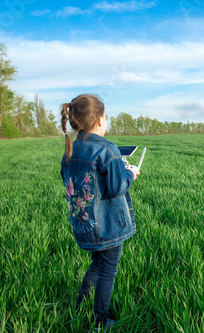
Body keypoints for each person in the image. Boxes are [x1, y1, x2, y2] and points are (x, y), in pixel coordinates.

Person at [60, 94, 140, 331]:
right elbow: (117, 188)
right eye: (105, 116)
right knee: (107, 272)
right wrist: (130, 174)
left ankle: (79, 307)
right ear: (100, 120)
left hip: (85, 224)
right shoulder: (108, 149)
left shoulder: (71, 149)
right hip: (108, 227)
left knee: (96, 265)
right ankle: (100, 322)